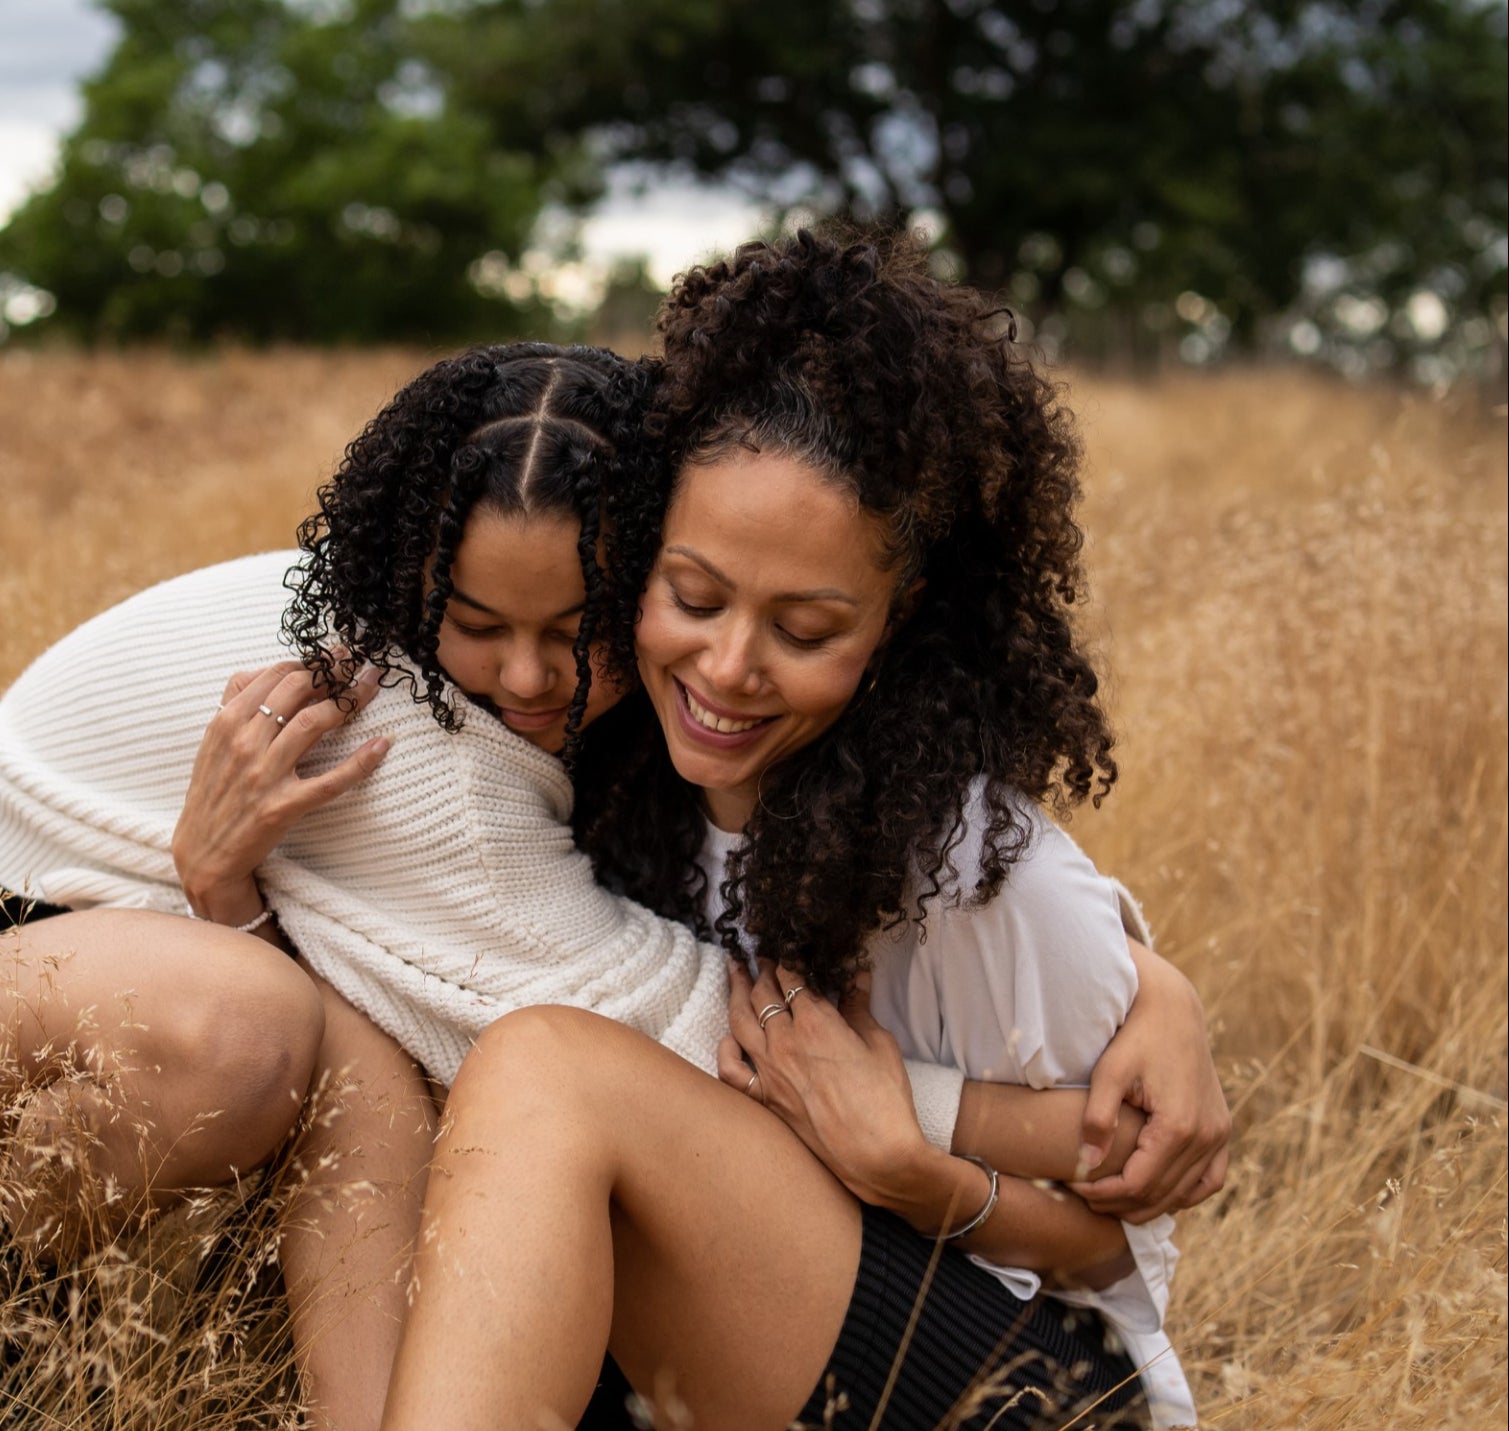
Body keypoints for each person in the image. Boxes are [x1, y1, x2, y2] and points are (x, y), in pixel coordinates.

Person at [0, 342, 1221, 1429]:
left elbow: (975, 925)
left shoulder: (700, 732)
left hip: (1019, 1345)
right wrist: (1008, 1122)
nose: (534, 679)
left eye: (580, 630)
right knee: (279, 1025)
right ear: (401, 574)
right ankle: (16, 1351)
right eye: (477, 624)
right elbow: (678, 1029)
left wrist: (1151, 979)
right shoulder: (394, 710)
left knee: (376, 1036)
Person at [379, 232, 1210, 1429]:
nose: (726, 670)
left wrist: (915, 1175)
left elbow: (1120, 1243)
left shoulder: (971, 870)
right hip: (740, 1346)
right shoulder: (598, 763)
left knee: (550, 1067)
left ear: (895, 616)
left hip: (1031, 1391)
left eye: (805, 629)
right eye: (694, 597)